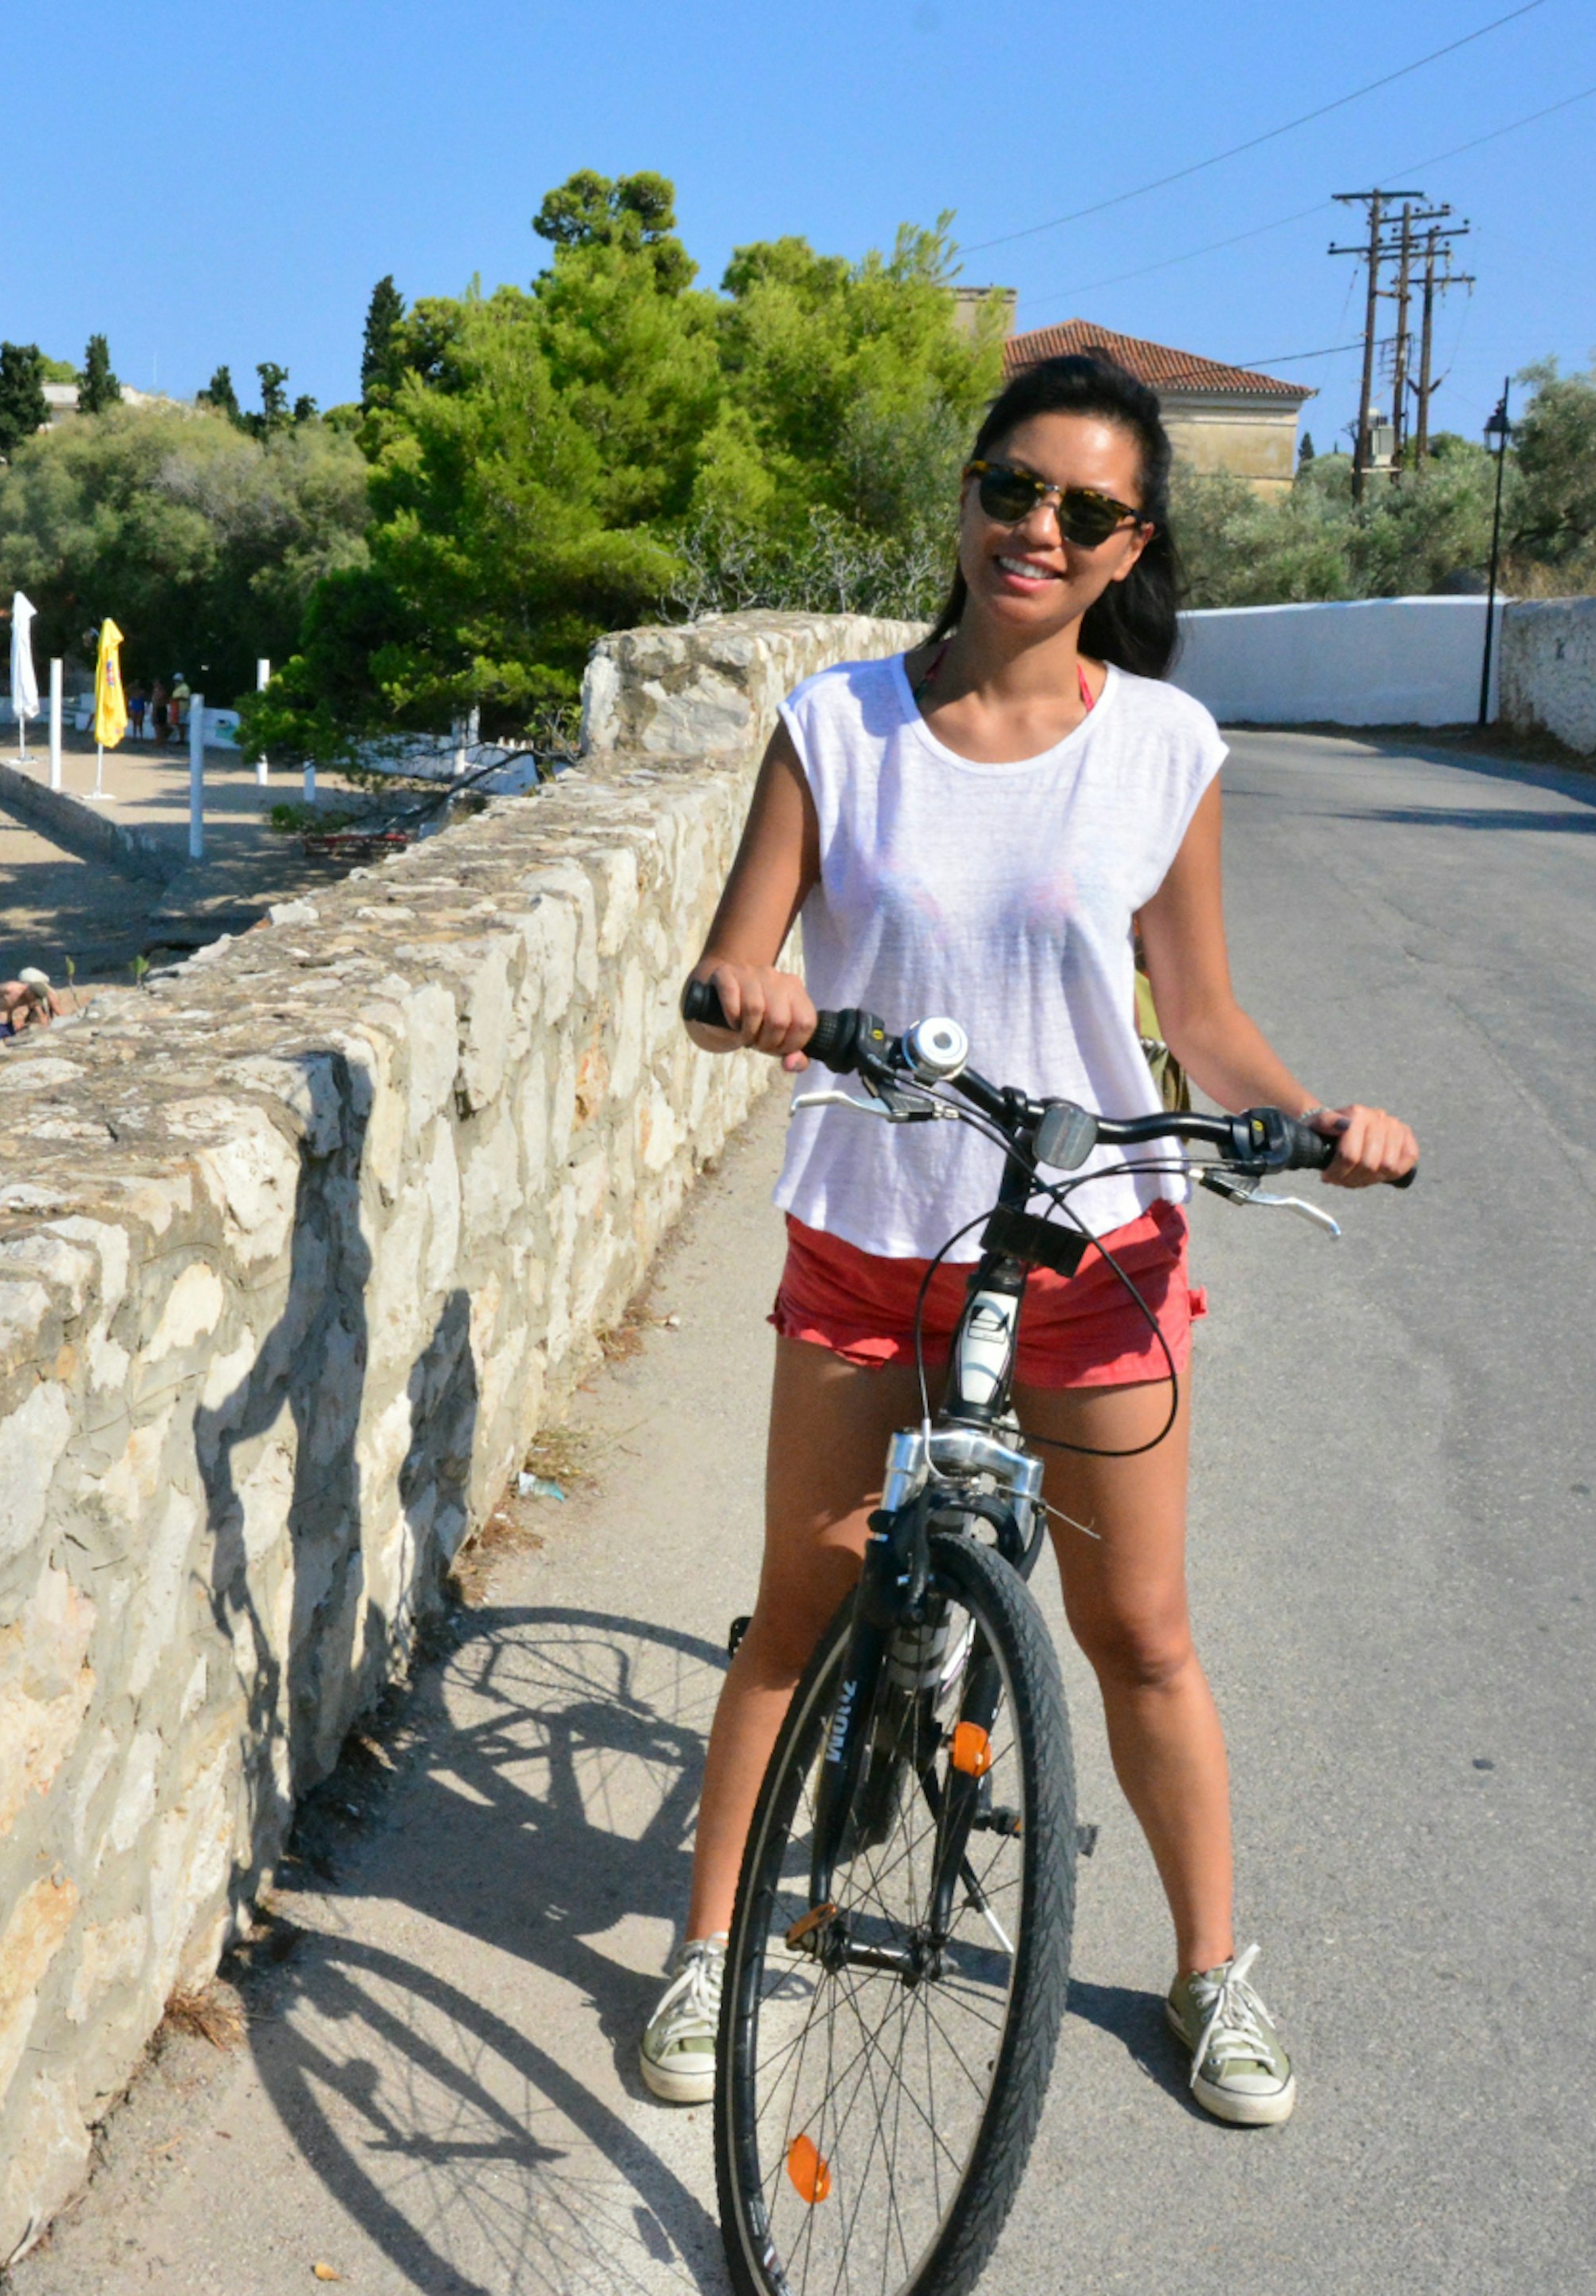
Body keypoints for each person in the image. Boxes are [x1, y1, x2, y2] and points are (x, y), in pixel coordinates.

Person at [643, 353, 1417, 2129]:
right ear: (969, 495)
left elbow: (1201, 1018)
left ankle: (1215, 1970)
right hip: (870, 1224)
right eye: (1013, 490)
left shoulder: (1164, 746)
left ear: (1132, 543)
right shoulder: (836, 727)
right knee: (800, 1606)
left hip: (1092, 1248)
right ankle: (709, 1950)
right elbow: (722, 972)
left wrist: (1315, 1119)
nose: (1037, 531)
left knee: (1137, 1632)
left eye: (1085, 512)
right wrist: (750, 993)